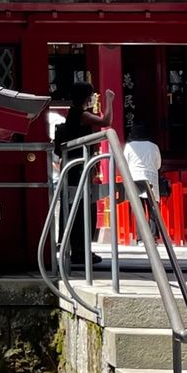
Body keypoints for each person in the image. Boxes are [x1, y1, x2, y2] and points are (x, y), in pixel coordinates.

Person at [52, 81, 114, 269]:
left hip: (72, 167)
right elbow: (106, 122)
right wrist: (109, 101)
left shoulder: (73, 113)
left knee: (73, 207)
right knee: (82, 208)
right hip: (79, 168)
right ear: (87, 97)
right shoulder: (81, 114)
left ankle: (71, 246)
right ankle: (80, 250)